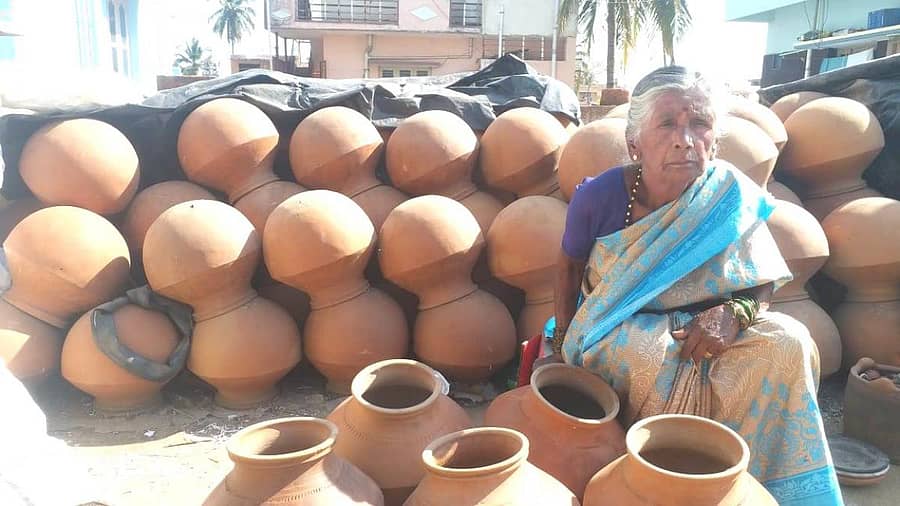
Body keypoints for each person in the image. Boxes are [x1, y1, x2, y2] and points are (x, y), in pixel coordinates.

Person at [535, 66, 843, 505]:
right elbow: (568, 267)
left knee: (789, 341)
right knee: (652, 355)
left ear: (716, 139)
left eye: (699, 123)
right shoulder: (599, 197)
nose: (685, 138)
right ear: (634, 142)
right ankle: (662, 480)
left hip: (711, 323)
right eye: (667, 124)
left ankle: (752, 483)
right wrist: (563, 342)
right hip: (617, 326)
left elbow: (762, 279)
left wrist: (734, 315)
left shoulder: (727, 195)